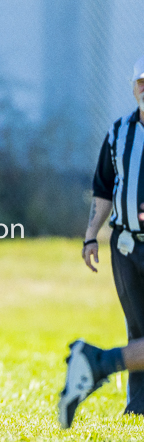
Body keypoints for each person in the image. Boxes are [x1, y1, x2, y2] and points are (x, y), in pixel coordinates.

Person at [58, 54, 144, 428]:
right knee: (138, 327)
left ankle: (98, 363)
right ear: (133, 85)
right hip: (125, 244)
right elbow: (104, 187)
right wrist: (91, 236)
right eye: (142, 80)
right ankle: (137, 405)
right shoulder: (120, 132)